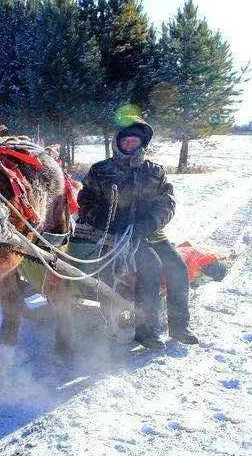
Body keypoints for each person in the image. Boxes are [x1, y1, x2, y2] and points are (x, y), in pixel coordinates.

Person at [76, 116, 199, 349]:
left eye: (135, 141)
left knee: (178, 266)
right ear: (117, 143)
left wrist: (150, 222)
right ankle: (146, 331)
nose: (130, 145)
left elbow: (166, 203)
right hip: (117, 234)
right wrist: (104, 219)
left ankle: (180, 326)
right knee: (150, 266)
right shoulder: (101, 170)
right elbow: (85, 200)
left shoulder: (154, 171)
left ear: (143, 143)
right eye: (126, 141)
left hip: (150, 232)